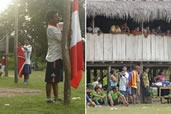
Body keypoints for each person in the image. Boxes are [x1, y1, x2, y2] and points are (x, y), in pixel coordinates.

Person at [45, 10, 63, 103]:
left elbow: (65, 24)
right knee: (50, 79)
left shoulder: (56, 26)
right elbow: (62, 38)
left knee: (56, 80)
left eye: (58, 16)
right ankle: (48, 98)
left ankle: (56, 96)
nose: (58, 17)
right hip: (53, 58)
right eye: (56, 16)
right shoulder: (51, 29)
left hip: (58, 57)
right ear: (50, 19)